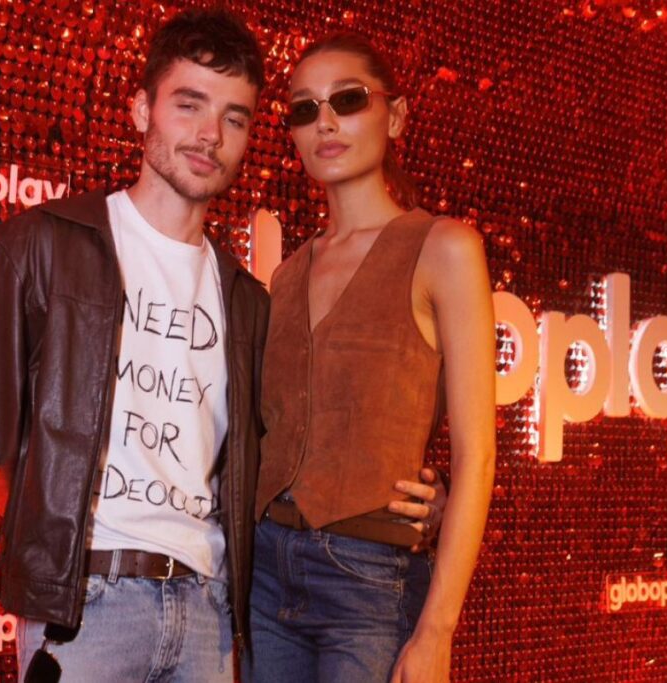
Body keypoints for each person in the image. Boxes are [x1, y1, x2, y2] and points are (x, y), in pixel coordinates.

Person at [0, 11, 443, 682]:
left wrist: (422, 490)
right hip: (87, 612)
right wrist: (55, 541)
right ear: (141, 110)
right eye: (189, 105)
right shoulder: (43, 245)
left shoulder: (249, 299)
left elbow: (290, 441)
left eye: (235, 118)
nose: (209, 135)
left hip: (207, 616)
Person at [251, 32, 497, 683]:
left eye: (347, 100)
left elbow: (478, 454)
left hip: (370, 581)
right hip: (265, 572)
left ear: (395, 116)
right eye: (304, 109)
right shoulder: (287, 272)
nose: (324, 121)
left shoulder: (445, 248)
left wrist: (437, 630)